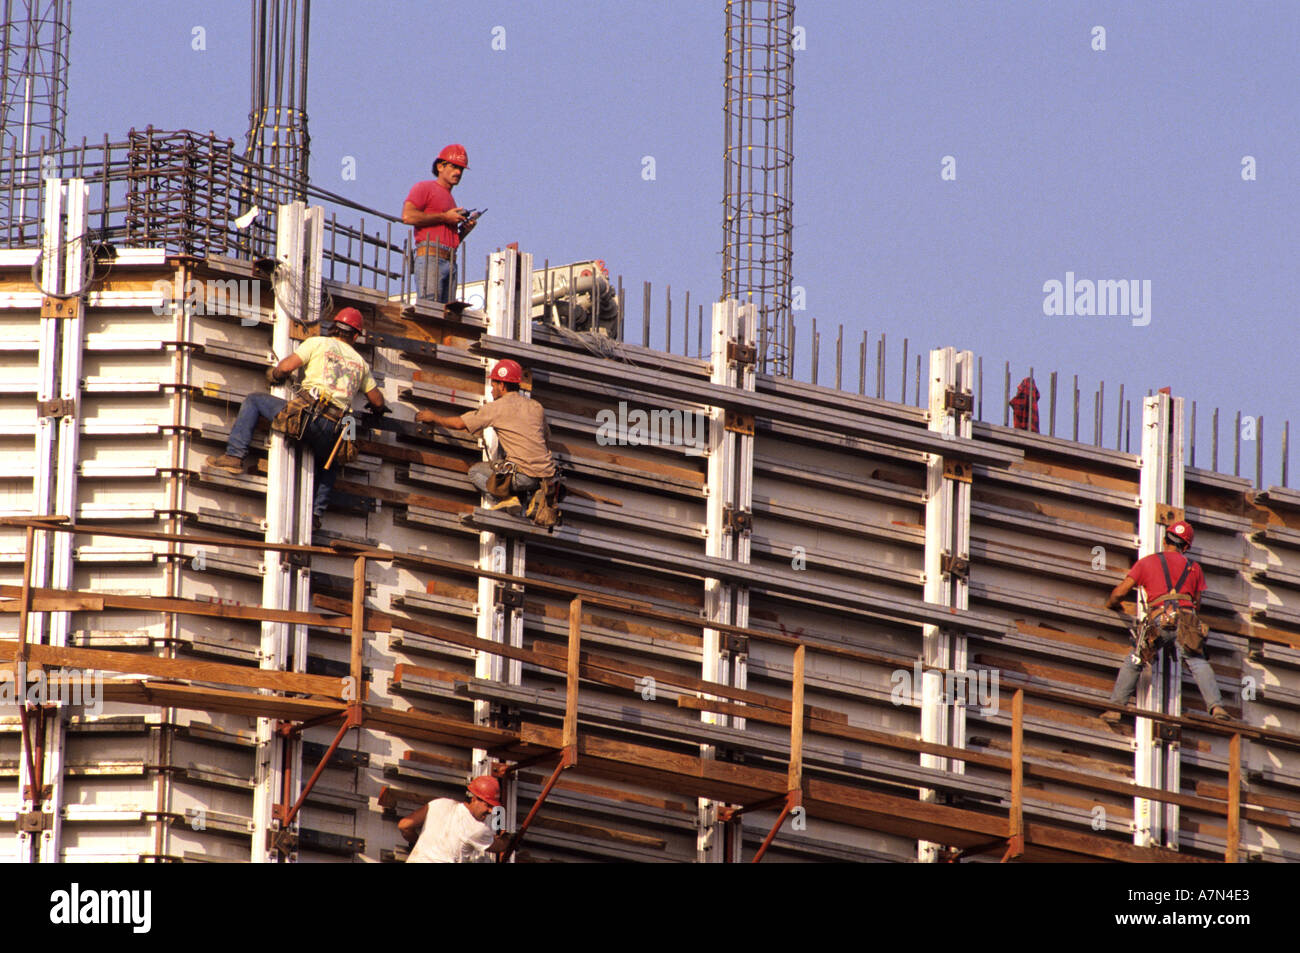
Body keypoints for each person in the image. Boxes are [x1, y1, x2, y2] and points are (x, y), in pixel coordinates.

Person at [205, 307, 388, 527]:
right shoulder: (360, 364)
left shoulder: (317, 343)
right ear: (356, 335)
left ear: (335, 328)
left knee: (254, 400)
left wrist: (275, 375)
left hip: (305, 416)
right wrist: (377, 412)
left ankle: (235, 456)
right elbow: (378, 401)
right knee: (330, 461)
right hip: (333, 426)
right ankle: (316, 513)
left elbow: (286, 367)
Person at [1101, 520, 1229, 723]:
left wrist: (1112, 604)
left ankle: (1115, 709)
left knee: (1135, 660)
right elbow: (1197, 603)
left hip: (1159, 619)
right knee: (1197, 661)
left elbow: (1120, 593)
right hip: (1186, 619)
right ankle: (1216, 707)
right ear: (1186, 546)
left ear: (1164, 540)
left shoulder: (1147, 562)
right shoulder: (1194, 568)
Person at [415, 359, 557, 515]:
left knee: (475, 472)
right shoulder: (536, 406)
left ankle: (507, 499)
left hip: (522, 476)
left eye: (494, 385)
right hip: (545, 478)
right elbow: (545, 438)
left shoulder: (497, 408)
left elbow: (459, 424)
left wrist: (434, 418)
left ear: (502, 386)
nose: (491, 390)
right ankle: (529, 496)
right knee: (508, 467)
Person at [402, 143, 476, 304]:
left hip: (449, 260)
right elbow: (408, 216)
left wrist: (463, 231)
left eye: (461, 169)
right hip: (431, 258)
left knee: (445, 316)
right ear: (440, 166)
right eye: (454, 166)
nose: (458, 172)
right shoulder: (425, 187)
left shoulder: (450, 199)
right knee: (431, 312)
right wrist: (445, 217)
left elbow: (444, 238)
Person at [399, 776, 510, 863]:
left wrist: (418, 843)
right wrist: (509, 838)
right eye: (488, 805)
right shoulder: (476, 828)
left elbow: (404, 825)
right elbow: (500, 846)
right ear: (475, 799)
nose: (491, 811)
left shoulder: (440, 803)